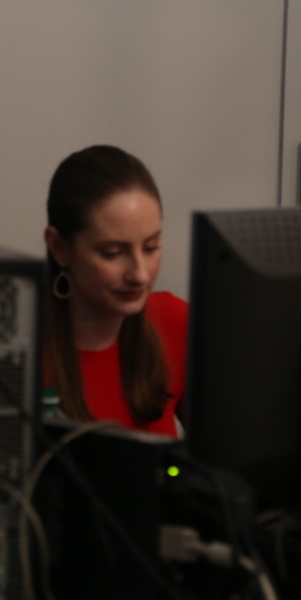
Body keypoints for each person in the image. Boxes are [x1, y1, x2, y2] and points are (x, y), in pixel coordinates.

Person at [42, 144, 188, 438]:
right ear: (59, 248)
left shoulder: (176, 322)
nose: (140, 275)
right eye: (113, 253)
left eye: (151, 247)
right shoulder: (15, 354)